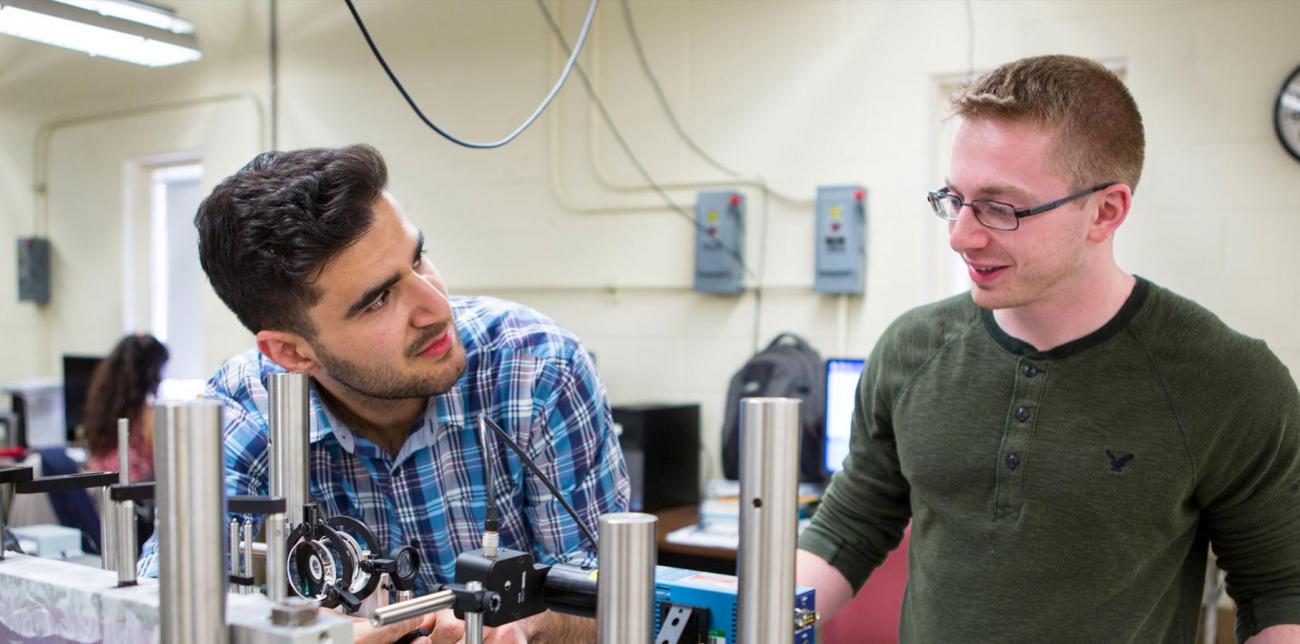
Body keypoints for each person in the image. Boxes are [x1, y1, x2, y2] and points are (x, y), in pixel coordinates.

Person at [796, 55, 1300, 642]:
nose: (962, 234)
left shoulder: (1227, 380)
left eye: (999, 207)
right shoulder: (912, 350)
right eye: (954, 198)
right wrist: (757, 618)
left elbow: (1278, 590)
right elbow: (849, 527)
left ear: (1105, 212)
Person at [136, 144, 629, 643]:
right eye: (378, 300)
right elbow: (156, 614)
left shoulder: (537, 369)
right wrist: (309, 636)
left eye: (418, 258)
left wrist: (523, 624)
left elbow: (615, 597)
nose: (436, 307)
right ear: (292, 353)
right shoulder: (244, 415)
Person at [83, 333, 169, 482]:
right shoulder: (149, 418)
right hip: (134, 499)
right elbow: (166, 470)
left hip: (99, 494)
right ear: (151, 373)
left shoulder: (99, 409)